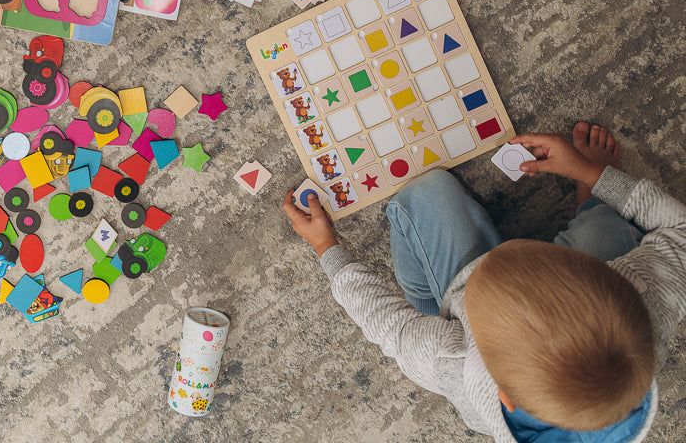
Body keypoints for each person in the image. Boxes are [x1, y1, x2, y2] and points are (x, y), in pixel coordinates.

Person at [283, 122, 686, 442]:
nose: (507, 246)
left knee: (426, 193)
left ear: (504, 397)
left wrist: (326, 246)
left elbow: (389, 325)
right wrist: (589, 171)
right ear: (604, 278)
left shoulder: (457, 362)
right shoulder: (644, 292)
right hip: (599, 311)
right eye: (533, 253)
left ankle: (440, 297)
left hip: (445, 325)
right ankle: (592, 201)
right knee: (604, 229)